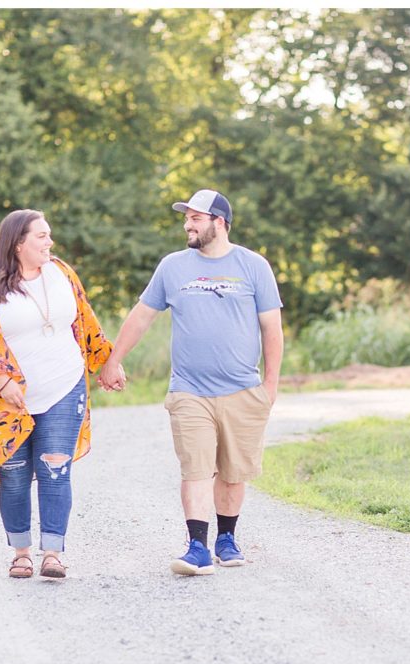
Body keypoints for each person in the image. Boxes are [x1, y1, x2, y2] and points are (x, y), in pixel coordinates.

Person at [99, 189, 284, 576]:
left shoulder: (253, 266)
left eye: (196, 218)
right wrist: (114, 360)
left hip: (243, 389)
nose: (187, 224)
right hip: (189, 390)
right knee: (196, 468)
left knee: (234, 473)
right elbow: (142, 316)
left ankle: (227, 537)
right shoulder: (172, 267)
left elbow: (272, 329)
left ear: (220, 222)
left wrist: (269, 387)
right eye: (186, 218)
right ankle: (197, 545)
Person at [0, 209, 120, 578]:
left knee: (55, 467)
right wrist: (1, 380)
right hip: (7, 398)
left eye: (49, 236)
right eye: (42, 236)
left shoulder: (61, 273)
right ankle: (21, 553)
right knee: (13, 474)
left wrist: (108, 361)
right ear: (18, 243)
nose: (50, 243)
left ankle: (53, 553)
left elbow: (85, 320)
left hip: (64, 384)